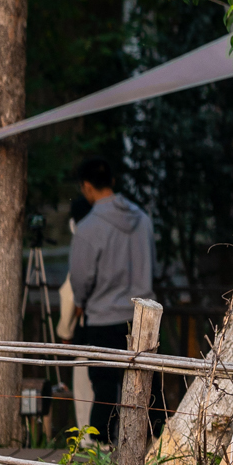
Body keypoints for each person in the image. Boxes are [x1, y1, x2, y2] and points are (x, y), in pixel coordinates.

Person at [65, 156, 153, 446]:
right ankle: (154, 447)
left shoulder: (88, 227)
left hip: (103, 318)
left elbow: (80, 279)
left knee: (104, 389)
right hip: (143, 318)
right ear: (112, 181)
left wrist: (81, 302)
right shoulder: (143, 220)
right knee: (147, 389)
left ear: (87, 187)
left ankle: (101, 449)